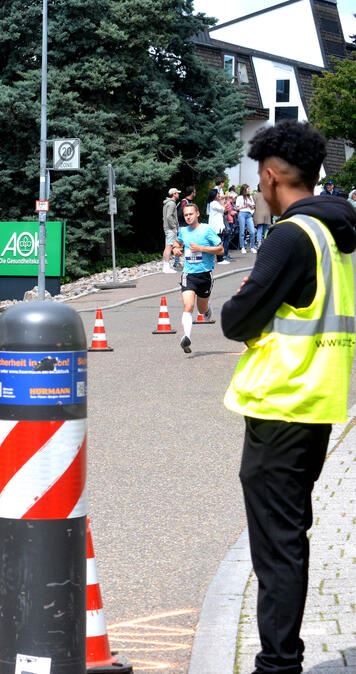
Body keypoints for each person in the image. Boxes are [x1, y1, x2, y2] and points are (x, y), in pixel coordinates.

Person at [221, 121, 355, 674]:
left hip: (283, 403)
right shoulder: (338, 234)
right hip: (316, 403)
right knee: (288, 536)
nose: (256, 191)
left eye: (258, 181)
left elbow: (233, 319)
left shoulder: (292, 236)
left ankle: (279, 665)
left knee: (277, 545)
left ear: (273, 176)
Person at [171, 202, 223, 353]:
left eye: (190, 214)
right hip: (188, 274)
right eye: (186, 215)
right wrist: (176, 249)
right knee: (188, 306)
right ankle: (186, 337)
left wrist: (201, 249)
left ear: (197, 214)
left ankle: (207, 310)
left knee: (201, 309)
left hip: (205, 275)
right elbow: (177, 242)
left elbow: (220, 249)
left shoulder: (206, 230)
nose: (188, 217)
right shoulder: (184, 231)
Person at [162, 187, 181, 273]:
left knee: (167, 247)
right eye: (177, 193)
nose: (178, 194)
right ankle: (166, 268)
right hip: (170, 229)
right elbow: (169, 216)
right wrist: (174, 227)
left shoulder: (167, 203)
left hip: (167, 227)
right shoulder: (172, 204)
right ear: (174, 194)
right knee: (169, 247)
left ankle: (165, 266)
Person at [236, 184, 257, 253]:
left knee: (252, 231)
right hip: (242, 214)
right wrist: (244, 206)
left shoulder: (250, 197)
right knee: (242, 231)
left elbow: (254, 207)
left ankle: (252, 247)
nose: (249, 190)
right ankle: (242, 247)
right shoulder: (239, 197)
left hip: (249, 214)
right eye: (248, 189)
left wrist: (251, 206)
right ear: (244, 189)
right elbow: (237, 208)